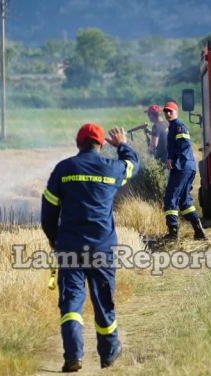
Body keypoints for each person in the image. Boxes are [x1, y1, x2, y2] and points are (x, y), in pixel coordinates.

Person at [41, 123, 139, 372]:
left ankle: (73, 356)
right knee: (103, 300)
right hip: (102, 249)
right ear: (101, 144)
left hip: (70, 247)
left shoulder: (63, 169)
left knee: (71, 303)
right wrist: (123, 145)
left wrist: (55, 239)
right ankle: (108, 353)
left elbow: (48, 210)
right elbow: (132, 166)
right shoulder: (111, 168)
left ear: (77, 143)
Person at [162, 101, 207, 241]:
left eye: (171, 111)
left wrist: (172, 159)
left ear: (176, 112)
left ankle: (173, 233)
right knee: (184, 202)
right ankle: (199, 231)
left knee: (171, 197)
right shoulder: (173, 127)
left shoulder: (178, 126)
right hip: (187, 167)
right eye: (166, 111)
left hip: (182, 166)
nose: (168, 113)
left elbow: (184, 145)